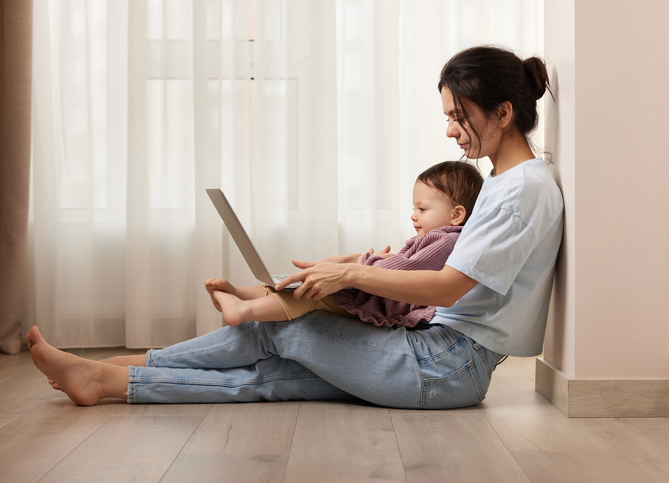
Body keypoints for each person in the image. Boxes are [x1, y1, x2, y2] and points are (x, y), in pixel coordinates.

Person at [28, 45, 564, 410]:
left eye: (459, 115)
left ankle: (117, 369)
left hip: (446, 365)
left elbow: (449, 284)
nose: (450, 129)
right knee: (273, 376)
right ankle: (107, 379)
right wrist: (349, 268)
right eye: (446, 115)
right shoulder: (501, 182)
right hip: (441, 360)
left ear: (503, 112)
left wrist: (347, 276)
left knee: (285, 327)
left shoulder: (521, 192)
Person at [207, 161, 483, 329]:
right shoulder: (434, 238)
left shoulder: (446, 239)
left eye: (422, 209)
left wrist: (366, 264)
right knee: (300, 284)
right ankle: (241, 293)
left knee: (314, 297)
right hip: (382, 293)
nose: (413, 215)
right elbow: (403, 264)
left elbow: (406, 270)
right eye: (414, 208)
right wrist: (366, 261)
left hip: (385, 302)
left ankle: (244, 310)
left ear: (456, 214)